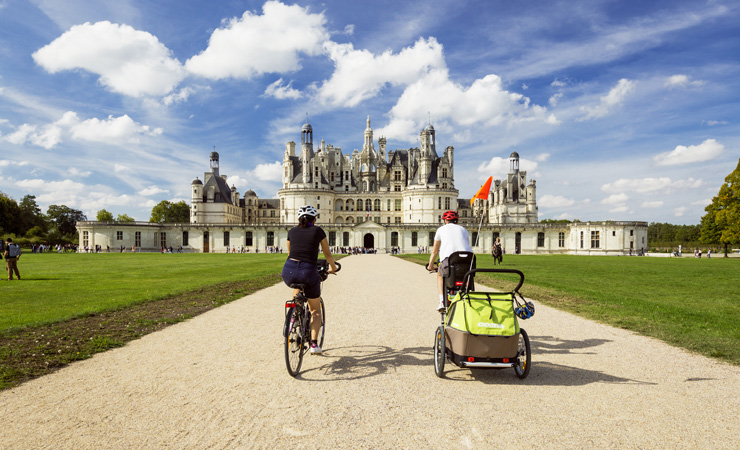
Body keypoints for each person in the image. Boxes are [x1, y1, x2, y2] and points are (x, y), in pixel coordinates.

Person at [282, 205, 338, 355]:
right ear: (314, 219)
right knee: (315, 311)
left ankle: (293, 316)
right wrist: (333, 267)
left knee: (297, 287)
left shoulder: (292, 231)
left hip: (289, 270)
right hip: (308, 271)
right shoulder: (317, 231)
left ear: (299, 219)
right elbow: (327, 254)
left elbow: (290, 252)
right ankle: (314, 344)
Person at [427, 210, 472, 311]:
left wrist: (430, 266)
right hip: (468, 261)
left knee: (440, 274)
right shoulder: (464, 230)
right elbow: (467, 245)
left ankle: (442, 301)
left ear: (445, 221)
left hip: (450, 260)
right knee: (467, 277)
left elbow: (435, 251)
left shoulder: (441, 230)